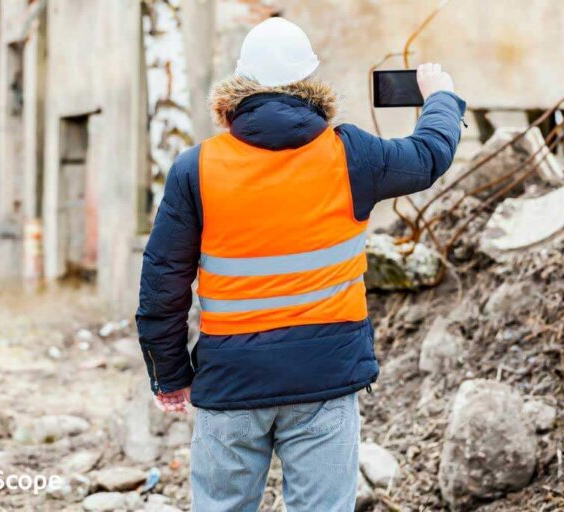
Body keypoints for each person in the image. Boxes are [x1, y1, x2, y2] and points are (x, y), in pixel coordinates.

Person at [136, 16, 465, 512]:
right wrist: (439, 96)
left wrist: (170, 373)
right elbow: (428, 156)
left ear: (239, 86)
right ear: (309, 83)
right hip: (325, 380)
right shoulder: (350, 155)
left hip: (230, 381)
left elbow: (163, 282)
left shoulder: (196, 168)